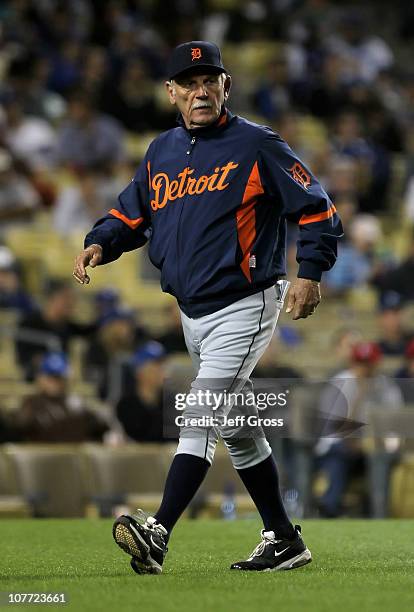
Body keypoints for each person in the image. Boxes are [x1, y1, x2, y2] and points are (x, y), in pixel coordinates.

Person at [73, 41, 343, 575]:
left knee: (199, 413)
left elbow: (317, 209)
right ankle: (284, 539)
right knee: (238, 426)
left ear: (226, 86)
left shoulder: (256, 144)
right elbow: (131, 213)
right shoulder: (162, 151)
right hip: (191, 311)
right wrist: (101, 241)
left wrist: (309, 272)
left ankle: (158, 533)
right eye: (188, 82)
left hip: (246, 301)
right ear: (171, 92)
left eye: (209, 79)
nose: (201, 90)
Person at [315, 341, 403, 517]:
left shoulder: (385, 386)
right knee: (339, 457)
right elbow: (333, 427)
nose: (366, 369)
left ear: (377, 364)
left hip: (373, 448)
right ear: (352, 363)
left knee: (379, 457)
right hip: (339, 446)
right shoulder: (340, 383)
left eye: (369, 364)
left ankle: (378, 514)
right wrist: (359, 395)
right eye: (361, 364)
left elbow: (394, 422)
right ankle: (329, 509)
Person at [14, 352, 108, 443]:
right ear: (40, 378)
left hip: (74, 456)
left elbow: (100, 428)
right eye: (50, 377)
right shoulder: (31, 403)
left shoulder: (75, 402)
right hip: (43, 457)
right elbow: (19, 429)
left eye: (59, 377)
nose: (55, 382)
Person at [116, 341, 170, 442]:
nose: (162, 371)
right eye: (155, 366)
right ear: (139, 371)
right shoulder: (126, 405)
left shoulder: (171, 402)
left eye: (163, 366)